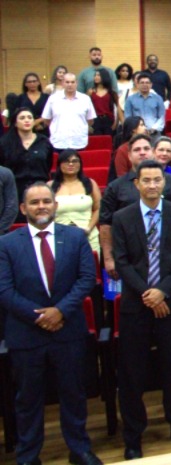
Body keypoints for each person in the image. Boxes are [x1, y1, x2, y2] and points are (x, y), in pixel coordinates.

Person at [0, 183, 102, 465]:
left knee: (73, 392)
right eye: (35, 203)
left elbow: (85, 279)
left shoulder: (75, 238)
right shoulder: (6, 244)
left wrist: (59, 311)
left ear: (55, 205)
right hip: (25, 333)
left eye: (47, 201)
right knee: (28, 399)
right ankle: (28, 455)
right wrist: (40, 317)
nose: (41, 206)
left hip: (67, 329)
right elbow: (4, 290)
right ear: (23, 209)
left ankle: (79, 448)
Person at [112, 160, 171, 459]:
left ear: (164, 183)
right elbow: (121, 262)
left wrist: (162, 291)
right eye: (146, 180)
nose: (152, 185)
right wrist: (148, 295)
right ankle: (133, 436)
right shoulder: (122, 217)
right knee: (132, 374)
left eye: (157, 180)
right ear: (136, 183)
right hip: (135, 306)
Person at [99, 135, 171, 280]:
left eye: (146, 148)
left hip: (169, 259)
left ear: (153, 152)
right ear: (129, 155)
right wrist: (109, 258)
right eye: (137, 150)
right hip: (130, 260)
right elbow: (105, 225)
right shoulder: (115, 187)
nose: (142, 152)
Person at [1, 108, 55, 208]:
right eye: (22, 118)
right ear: (15, 123)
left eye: (30, 118)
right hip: (14, 190)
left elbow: (47, 164)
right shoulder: (5, 143)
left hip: (40, 188)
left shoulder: (44, 141)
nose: (27, 120)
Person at [50, 150, 101, 250]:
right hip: (59, 237)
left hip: (88, 235)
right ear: (59, 165)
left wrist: (88, 229)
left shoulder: (90, 183)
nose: (71, 164)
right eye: (66, 161)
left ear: (80, 164)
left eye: (75, 161)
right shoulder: (50, 186)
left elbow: (98, 209)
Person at [40, 74, 95, 151]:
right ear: (62, 83)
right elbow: (46, 119)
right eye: (67, 82)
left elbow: (90, 120)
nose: (70, 85)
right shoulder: (53, 99)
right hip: (58, 143)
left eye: (72, 82)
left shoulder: (85, 99)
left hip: (79, 142)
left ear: (76, 83)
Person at [87, 68, 119, 136]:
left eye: (98, 75)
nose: (96, 77)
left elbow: (118, 108)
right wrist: (88, 124)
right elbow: (87, 108)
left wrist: (116, 123)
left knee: (109, 141)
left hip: (108, 120)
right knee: (97, 142)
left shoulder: (111, 92)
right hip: (95, 120)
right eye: (95, 75)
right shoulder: (90, 92)